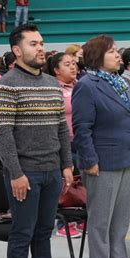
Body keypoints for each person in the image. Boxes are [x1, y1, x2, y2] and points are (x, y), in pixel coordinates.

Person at [0, 24, 81, 258]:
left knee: (44, 231)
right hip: (24, 174)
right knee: (22, 233)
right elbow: (2, 136)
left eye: (41, 42)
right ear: (17, 51)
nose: (40, 48)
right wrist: (15, 173)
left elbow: (60, 129)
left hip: (52, 172)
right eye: (32, 44)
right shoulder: (6, 85)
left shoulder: (53, 84)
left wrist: (66, 164)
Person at [72, 35, 130, 258]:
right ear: (98, 56)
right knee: (101, 219)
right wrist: (89, 160)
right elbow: (82, 127)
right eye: (112, 51)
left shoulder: (122, 83)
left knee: (120, 217)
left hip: (125, 156)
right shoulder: (87, 85)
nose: (118, 55)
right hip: (101, 161)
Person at [47, 52, 81, 238]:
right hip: (63, 141)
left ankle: (81, 218)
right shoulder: (53, 88)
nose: (73, 67)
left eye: (74, 63)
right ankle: (64, 222)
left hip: (81, 140)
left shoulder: (80, 85)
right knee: (66, 183)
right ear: (56, 70)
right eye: (67, 64)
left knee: (81, 182)